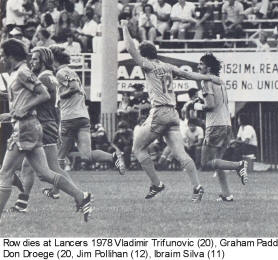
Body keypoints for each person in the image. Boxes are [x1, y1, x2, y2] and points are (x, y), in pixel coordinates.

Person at [121, 19, 222, 202]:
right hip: (173, 114)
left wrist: (124, 27)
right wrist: (210, 77)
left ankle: (157, 184)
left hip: (159, 111)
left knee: (137, 148)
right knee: (181, 154)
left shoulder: (148, 65)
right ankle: (197, 187)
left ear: (144, 55)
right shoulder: (167, 67)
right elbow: (190, 75)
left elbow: (129, 48)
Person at [0, 39, 92, 222]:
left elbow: (43, 94)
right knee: (45, 173)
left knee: (5, 172)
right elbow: (26, 99)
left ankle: (15, 205)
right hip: (30, 126)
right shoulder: (23, 72)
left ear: (11, 56)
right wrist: (11, 114)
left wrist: (23, 110)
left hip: (26, 127)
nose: (2, 58)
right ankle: (82, 196)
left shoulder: (23, 73)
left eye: (3, 55)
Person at [42, 45, 126, 198]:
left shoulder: (61, 72)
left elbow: (73, 88)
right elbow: (79, 89)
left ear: (54, 59)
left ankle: (57, 191)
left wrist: (61, 95)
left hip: (69, 118)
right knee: (86, 154)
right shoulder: (72, 71)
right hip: (82, 117)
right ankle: (113, 157)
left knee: (58, 157)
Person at [192, 53, 248, 202]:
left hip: (215, 125)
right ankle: (227, 194)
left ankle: (238, 165)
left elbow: (210, 105)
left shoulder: (206, 82)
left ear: (208, 67)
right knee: (218, 162)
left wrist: (198, 105)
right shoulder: (220, 82)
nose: (198, 66)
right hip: (226, 124)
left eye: (201, 64)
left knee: (205, 163)